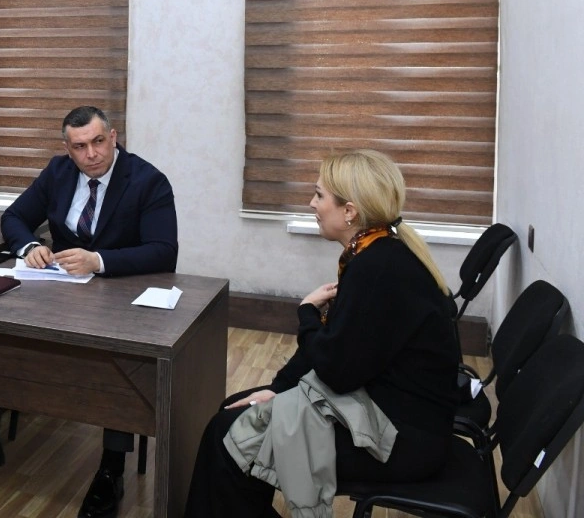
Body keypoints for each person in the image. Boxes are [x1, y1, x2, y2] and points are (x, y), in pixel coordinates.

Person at [183, 149, 460, 517]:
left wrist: (307, 314)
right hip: (384, 412)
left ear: (350, 212)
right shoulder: (377, 253)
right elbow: (340, 351)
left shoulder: (376, 268)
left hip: (400, 440)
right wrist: (279, 390)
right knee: (235, 412)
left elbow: (336, 369)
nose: (311, 204)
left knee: (228, 434)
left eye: (319, 195)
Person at [0, 105, 178, 518]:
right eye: (80, 147)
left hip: (117, 294)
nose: (92, 154)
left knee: (117, 363)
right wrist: (30, 246)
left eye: (99, 142)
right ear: (67, 149)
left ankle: (111, 468)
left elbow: (164, 251)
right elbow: (15, 217)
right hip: (57, 291)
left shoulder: (147, 180)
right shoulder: (58, 172)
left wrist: (98, 260)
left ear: (114, 136)